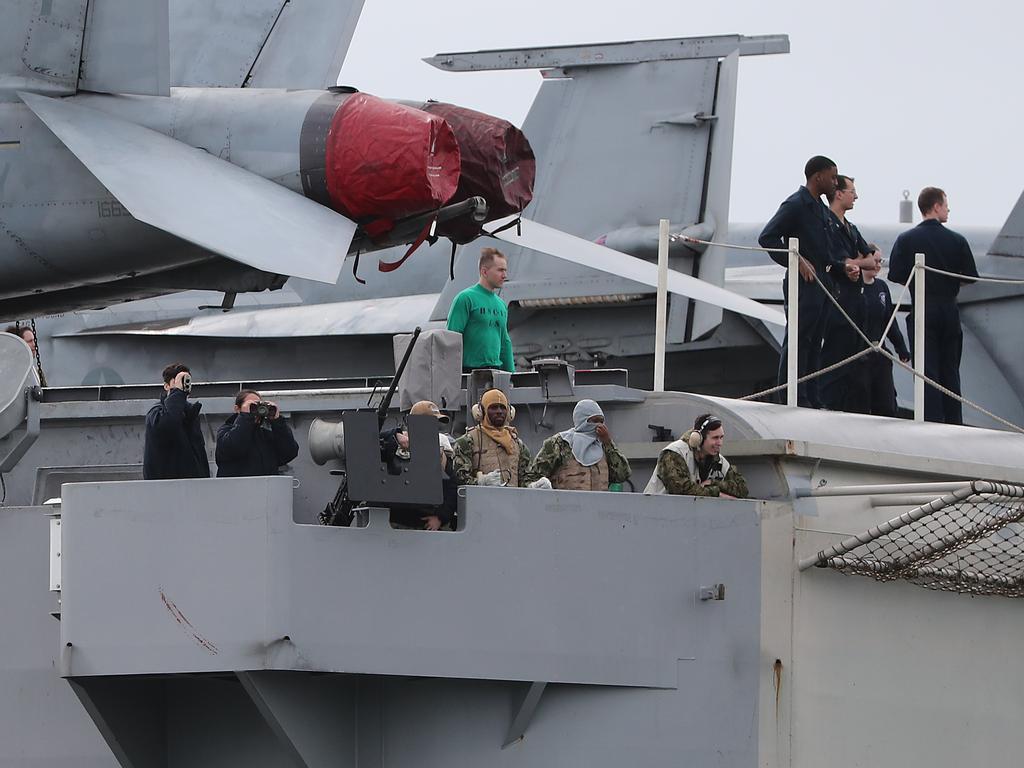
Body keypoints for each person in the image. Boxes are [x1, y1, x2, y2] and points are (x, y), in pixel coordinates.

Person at [758, 156, 861, 408]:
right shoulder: (796, 205)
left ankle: (811, 397)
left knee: (816, 342)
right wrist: (797, 260)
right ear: (818, 177)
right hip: (803, 283)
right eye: (832, 177)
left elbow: (825, 251)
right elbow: (768, 237)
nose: (835, 182)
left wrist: (841, 267)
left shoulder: (821, 209)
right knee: (798, 339)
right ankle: (792, 395)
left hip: (823, 282)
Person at [888, 187, 978, 424]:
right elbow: (971, 277)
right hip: (949, 309)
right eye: (946, 204)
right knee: (950, 369)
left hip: (922, 308)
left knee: (927, 371)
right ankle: (953, 421)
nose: (948, 209)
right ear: (936, 206)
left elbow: (896, 273)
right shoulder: (957, 240)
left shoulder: (906, 240)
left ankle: (931, 421)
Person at [380, 401, 458, 530]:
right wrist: (394, 435)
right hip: (393, 523)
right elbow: (368, 445)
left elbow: (452, 487)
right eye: (429, 422)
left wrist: (440, 517)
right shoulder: (394, 444)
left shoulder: (439, 453)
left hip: (425, 523)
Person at [524, 399, 630, 491]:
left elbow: (622, 475)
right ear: (582, 420)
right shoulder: (559, 444)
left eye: (601, 421)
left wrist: (608, 442)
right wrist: (538, 486)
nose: (599, 425)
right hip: (564, 510)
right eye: (595, 421)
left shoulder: (603, 447)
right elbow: (531, 478)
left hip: (598, 510)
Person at [644, 414, 748, 498]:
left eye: (721, 437)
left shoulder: (720, 462)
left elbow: (742, 489)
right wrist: (717, 493)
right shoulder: (674, 453)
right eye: (715, 438)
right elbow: (680, 491)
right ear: (699, 438)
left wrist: (713, 483)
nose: (720, 443)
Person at [446, 246, 515, 372]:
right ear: (484, 272)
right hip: (468, 372)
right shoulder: (465, 298)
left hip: (496, 372)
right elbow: (451, 339)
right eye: (500, 270)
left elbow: (505, 342)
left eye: (505, 270)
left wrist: (512, 375)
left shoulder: (501, 304)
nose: (505, 275)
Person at [143, 363, 210, 480]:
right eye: (179, 380)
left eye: (186, 380)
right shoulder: (156, 412)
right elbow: (168, 425)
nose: (184, 385)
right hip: (166, 486)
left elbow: (200, 454)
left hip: (194, 485)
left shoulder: (191, 414)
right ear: (166, 386)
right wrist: (177, 392)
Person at [452, 388, 532, 487]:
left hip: (513, 500)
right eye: (493, 407)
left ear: (509, 413)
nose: (499, 411)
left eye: (502, 408)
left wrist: (533, 486)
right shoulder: (467, 442)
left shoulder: (517, 444)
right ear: (481, 411)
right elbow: (459, 478)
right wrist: (481, 482)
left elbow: (525, 477)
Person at [215, 389, 299, 477]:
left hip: (266, 488)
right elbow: (234, 448)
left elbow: (289, 452)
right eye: (251, 406)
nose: (256, 410)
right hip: (237, 488)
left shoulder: (266, 436)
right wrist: (246, 417)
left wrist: (277, 422)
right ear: (237, 409)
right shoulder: (225, 431)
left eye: (258, 406)